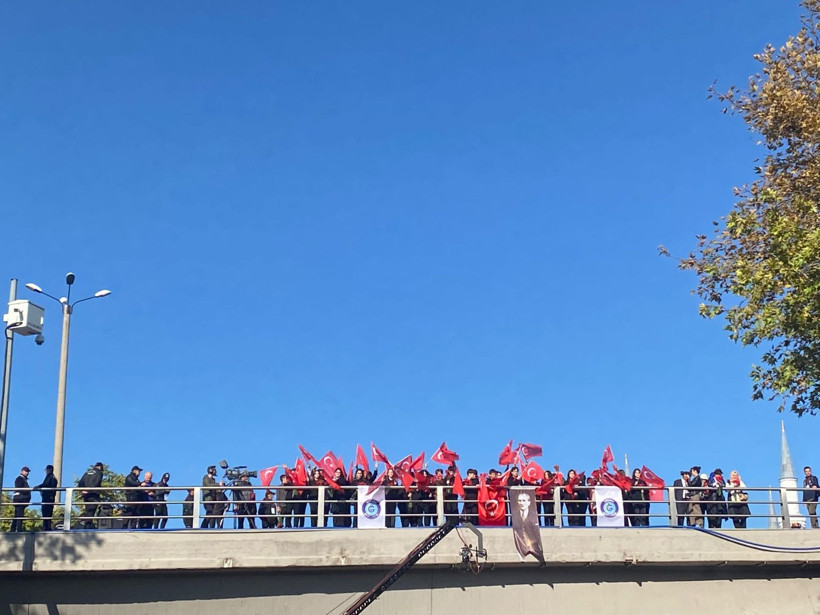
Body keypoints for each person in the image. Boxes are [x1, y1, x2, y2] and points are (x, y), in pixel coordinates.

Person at [77, 462, 104, 529]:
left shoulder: (86, 473)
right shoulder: (99, 473)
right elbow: (97, 483)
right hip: (93, 493)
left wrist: (82, 490)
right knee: (92, 510)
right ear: (100, 467)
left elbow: (80, 483)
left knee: (88, 509)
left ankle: (87, 524)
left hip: (85, 495)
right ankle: (88, 525)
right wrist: (89, 490)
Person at [33, 465, 58, 531]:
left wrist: (38, 487)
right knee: (49, 512)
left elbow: (45, 484)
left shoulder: (49, 477)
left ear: (48, 470)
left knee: (46, 512)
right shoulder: (54, 477)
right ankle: (48, 526)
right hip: (51, 497)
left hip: (47, 498)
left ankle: (46, 527)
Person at [11, 466, 31, 532]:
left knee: (17, 515)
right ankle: (18, 529)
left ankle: (13, 529)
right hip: (20, 499)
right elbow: (19, 488)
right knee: (19, 515)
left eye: (27, 471)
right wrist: (27, 491)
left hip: (21, 499)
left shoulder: (24, 479)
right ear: (22, 471)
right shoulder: (20, 479)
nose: (27, 473)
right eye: (25, 471)